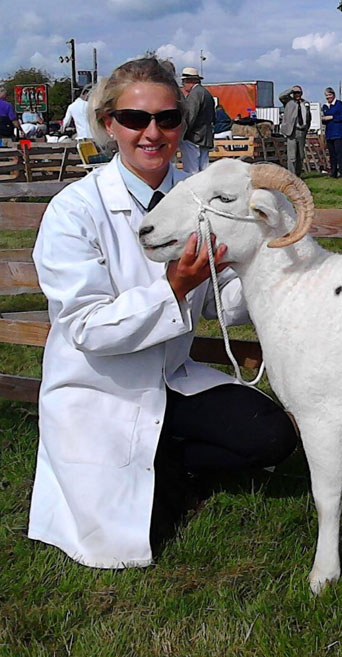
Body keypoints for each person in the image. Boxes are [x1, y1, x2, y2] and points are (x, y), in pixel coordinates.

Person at [27, 57, 298, 569]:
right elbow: (86, 327)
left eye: (167, 119)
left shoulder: (197, 198)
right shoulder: (74, 210)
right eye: (134, 119)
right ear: (109, 124)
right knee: (132, 535)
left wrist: (273, 281)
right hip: (102, 388)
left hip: (171, 376)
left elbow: (225, 296)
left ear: (181, 122)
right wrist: (172, 290)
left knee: (271, 436)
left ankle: (169, 460)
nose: (152, 133)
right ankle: (163, 472)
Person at [179, 67, 215, 174]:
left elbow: (190, 116)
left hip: (193, 138)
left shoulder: (194, 94)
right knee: (204, 171)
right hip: (205, 138)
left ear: (189, 81)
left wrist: (182, 135)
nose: (183, 85)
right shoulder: (206, 93)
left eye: (183, 82)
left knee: (191, 171)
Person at [279, 84, 311, 176]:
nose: (297, 94)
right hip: (292, 131)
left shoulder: (305, 103)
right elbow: (281, 96)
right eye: (295, 93)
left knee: (300, 156)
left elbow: (308, 117)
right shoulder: (288, 102)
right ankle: (292, 175)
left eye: (299, 92)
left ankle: (298, 174)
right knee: (292, 156)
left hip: (302, 131)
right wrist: (291, 90)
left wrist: (306, 128)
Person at [321, 87, 342, 179]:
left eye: (330, 95)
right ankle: (333, 172)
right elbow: (324, 119)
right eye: (327, 96)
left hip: (338, 132)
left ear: (333, 94)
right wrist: (322, 119)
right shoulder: (325, 106)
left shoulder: (339, 104)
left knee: (339, 153)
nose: (328, 97)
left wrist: (332, 117)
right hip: (329, 133)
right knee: (332, 154)